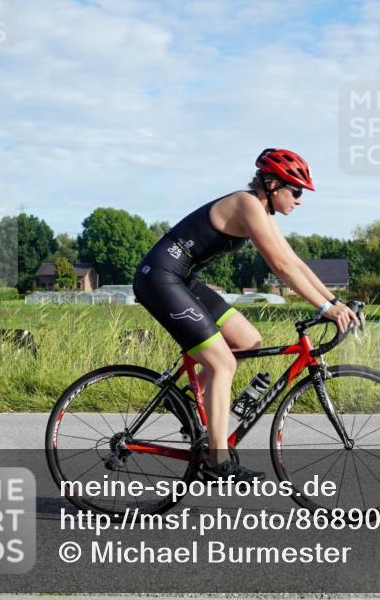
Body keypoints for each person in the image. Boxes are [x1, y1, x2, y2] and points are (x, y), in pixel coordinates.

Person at [132, 148, 357, 482]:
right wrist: (324, 308)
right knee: (222, 362)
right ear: (271, 184)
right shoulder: (247, 204)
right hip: (159, 279)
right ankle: (216, 461)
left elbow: (294, 261)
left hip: (183, 280)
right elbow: (279, 267)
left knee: (248, 339)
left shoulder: (261, 212)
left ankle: (199, 415)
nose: (299, 199)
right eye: (295, 191)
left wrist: (335, 301)